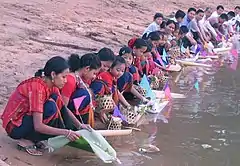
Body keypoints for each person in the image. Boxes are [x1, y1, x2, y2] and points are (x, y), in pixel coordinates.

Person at [1, 56, 88, 156]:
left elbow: (64, 108)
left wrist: (80, 125)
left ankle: (33, 138)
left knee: (56, 103)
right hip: (14, 127)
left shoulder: (52, 86)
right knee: (51, 107)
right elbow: (38, 126)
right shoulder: (38, 88)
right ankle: (26, 140)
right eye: (63, 77)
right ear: (53, 74)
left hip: (25, 119)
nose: (65, 81)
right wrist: (65, 132)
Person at [61, 54, 101, 127]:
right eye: (94, 73)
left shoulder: (79, 79)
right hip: (64, 113)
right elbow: (63, 107)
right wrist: (78, 125)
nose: (94, 77)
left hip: (70, 110)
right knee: (84, 94)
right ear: (87, 69)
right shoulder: (70, 80)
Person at [90, 56, 131, 122]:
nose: (120, 73)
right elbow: (109, 96)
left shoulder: (114, 77)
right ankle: (100, 112)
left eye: (122, 71)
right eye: (118, 70)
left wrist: (128, 105)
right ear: (111, 68)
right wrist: (117, 111)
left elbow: (117, 92)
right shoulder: (106, 76)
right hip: (97, 100)